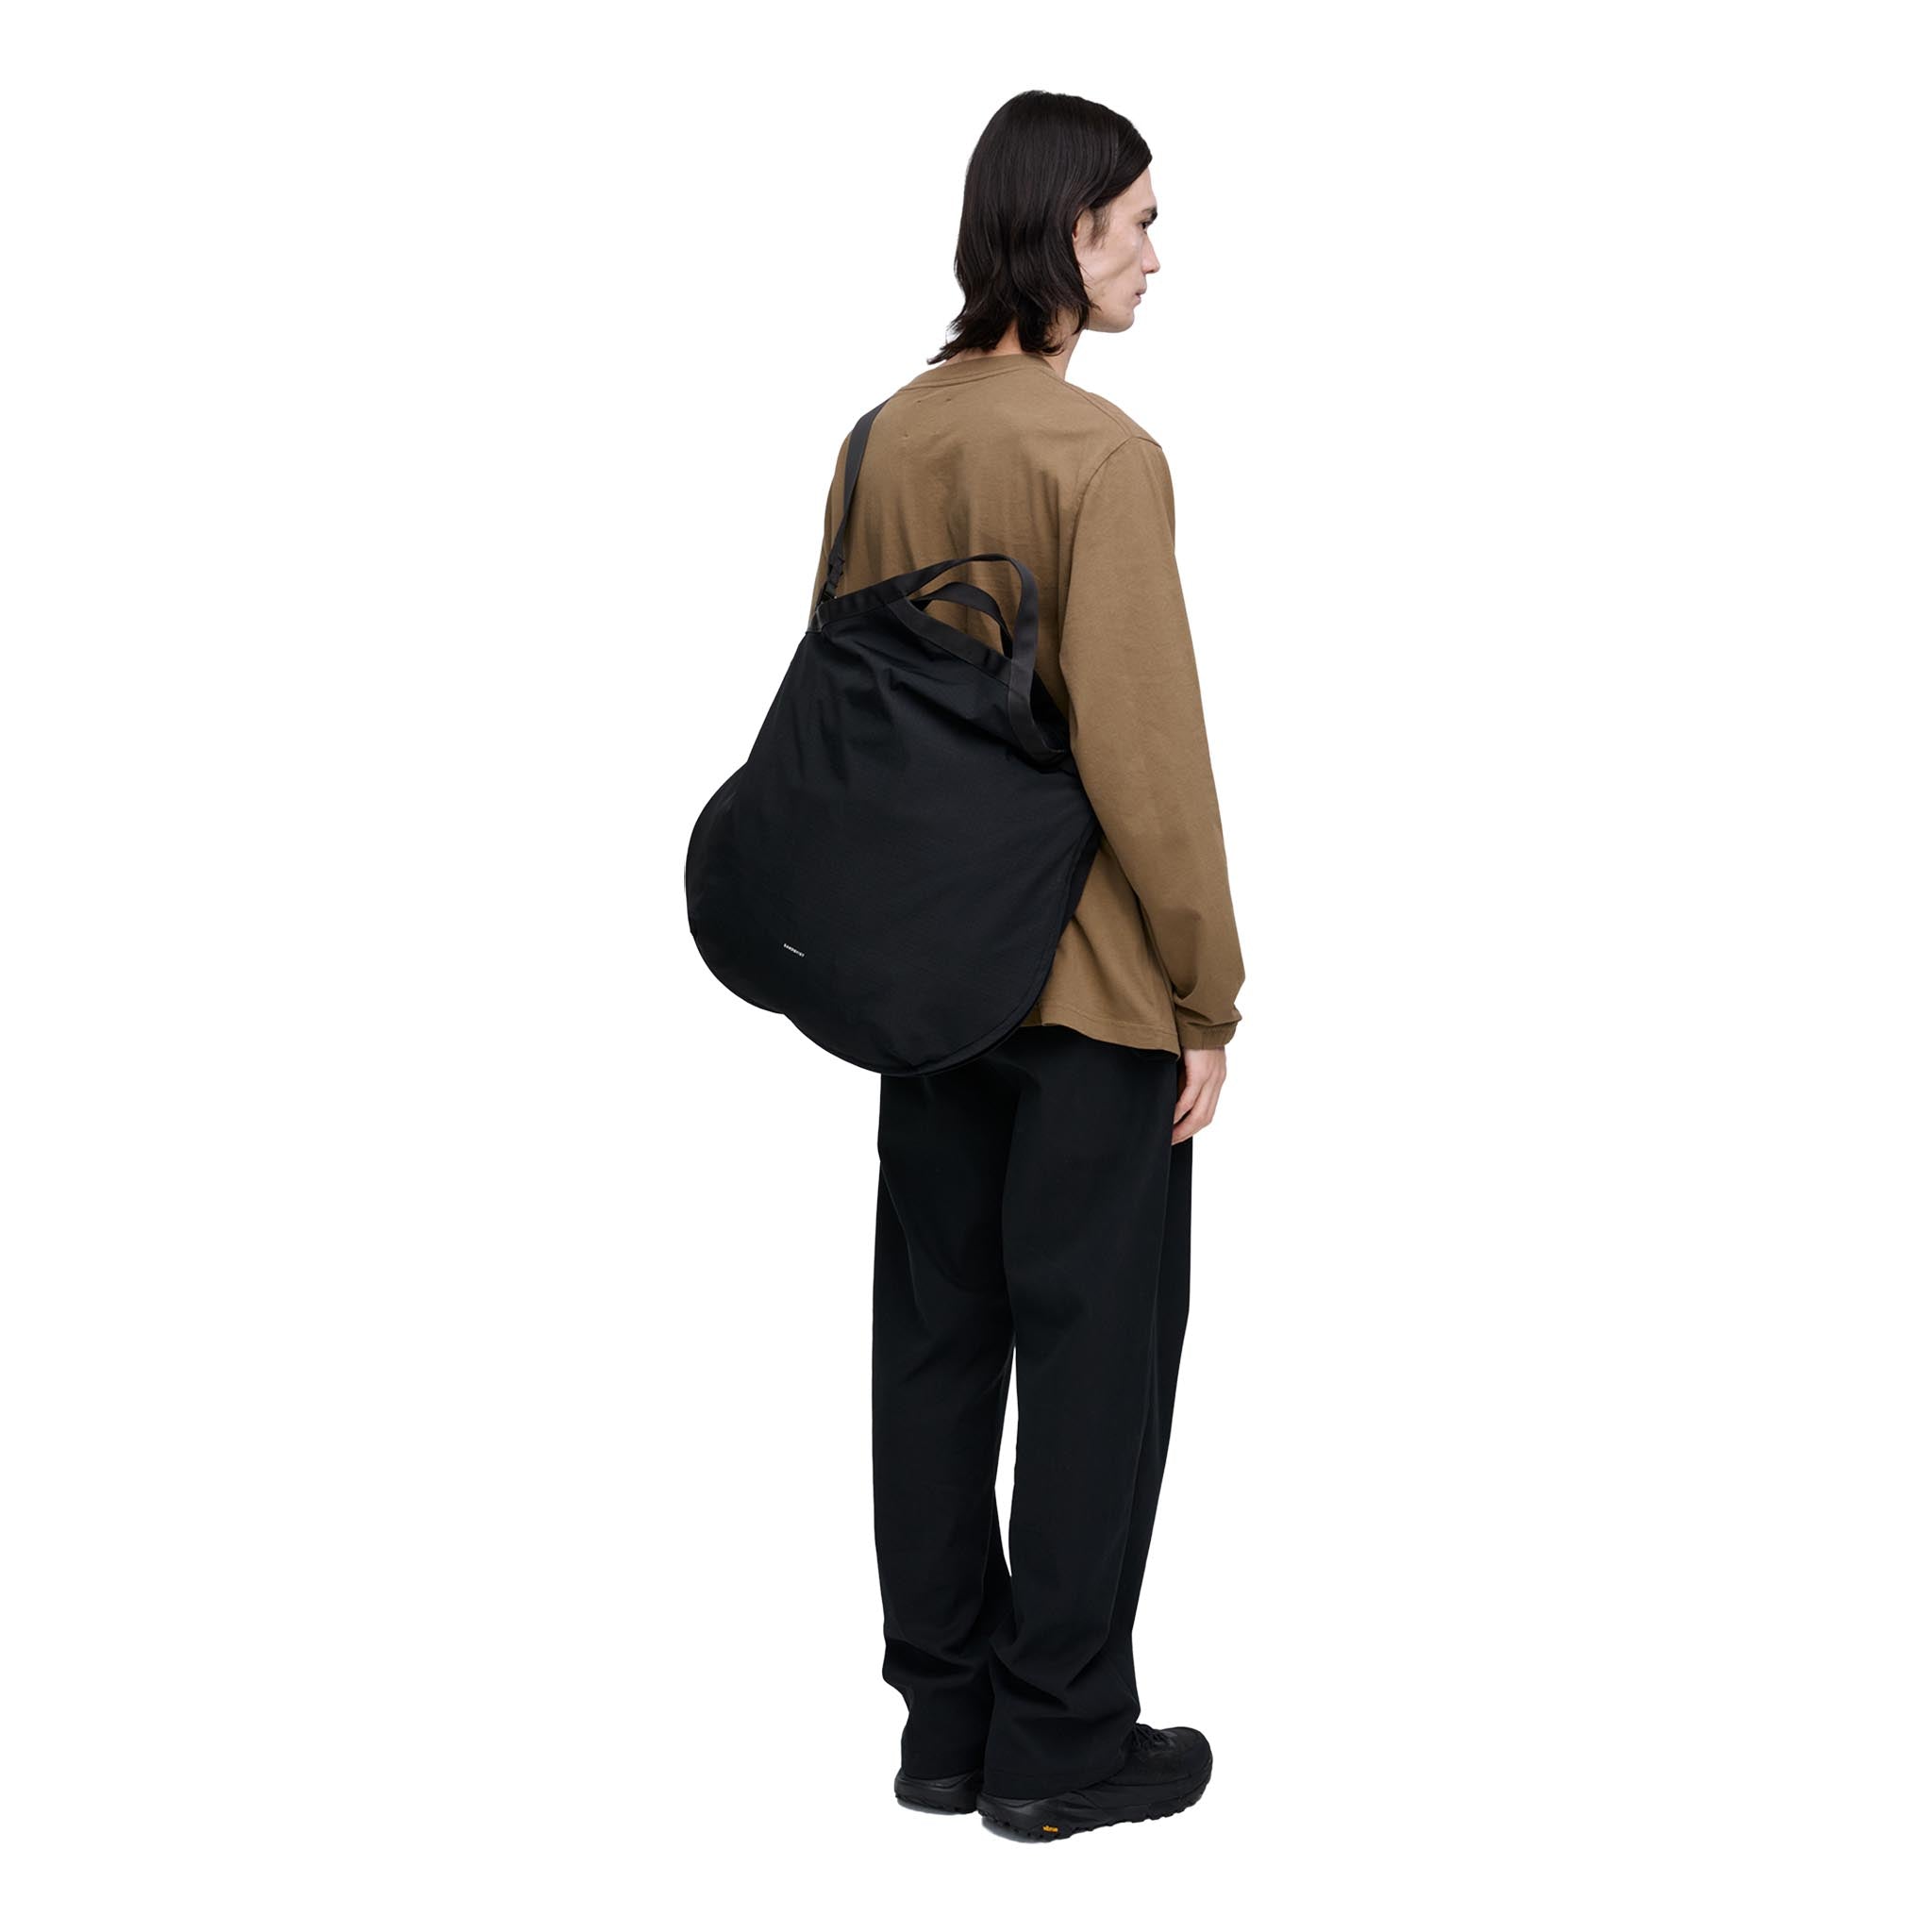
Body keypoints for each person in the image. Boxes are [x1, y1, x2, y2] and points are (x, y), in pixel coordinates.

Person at [807, 91, 1246, 1842]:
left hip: (929, 982)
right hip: (1088, 993)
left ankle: (945, 1724)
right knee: (1092, 1356)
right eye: (1136, 221)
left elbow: (847, 721)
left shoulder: (881, 441)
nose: (1154, 254)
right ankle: (1062, 1738)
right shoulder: (1100, 460)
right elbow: (1149, 763)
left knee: (933, 1339)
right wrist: (1207, 996)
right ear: (1066, 235)